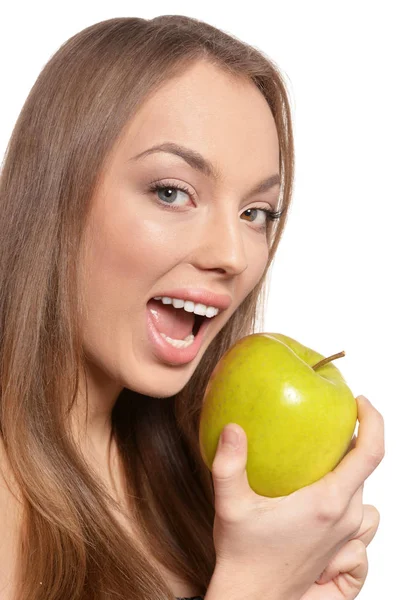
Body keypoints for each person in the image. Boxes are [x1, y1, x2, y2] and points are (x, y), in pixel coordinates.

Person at [0, 14, 384, 600]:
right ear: (56, 193)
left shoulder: (195, 477)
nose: (233, 255)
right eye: (172, 192)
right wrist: (253, 587)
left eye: (256, 213)